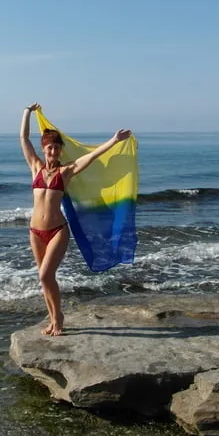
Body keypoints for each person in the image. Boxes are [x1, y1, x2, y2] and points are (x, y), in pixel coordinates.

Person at [20, 103, 131, 336]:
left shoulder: (66, 172)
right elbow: (24, 138)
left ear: (61, 150)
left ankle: (58, 317)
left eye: (57, 148)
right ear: (44, 149)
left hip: (57, 230)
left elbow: (91, 157)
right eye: (49, 148)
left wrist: (114, 141)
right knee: (45, 279)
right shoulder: (36, 167)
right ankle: (52, 319)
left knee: (45, 275)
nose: (53, 152)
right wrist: (27, 112)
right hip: (35, 231)